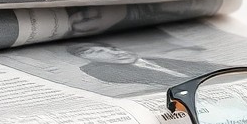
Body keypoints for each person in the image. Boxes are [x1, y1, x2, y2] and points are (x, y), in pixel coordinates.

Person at [66, 41, 225, 88]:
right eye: (98, 52)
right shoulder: (100, 72)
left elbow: (211, 68)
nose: (115, 52)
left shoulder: (161, 58)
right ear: (90, 60)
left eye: (112, 48)